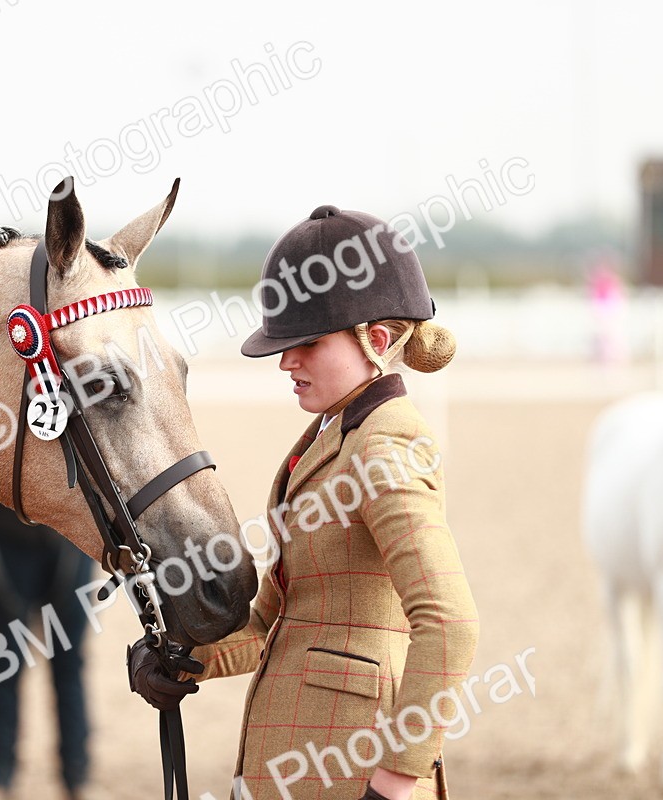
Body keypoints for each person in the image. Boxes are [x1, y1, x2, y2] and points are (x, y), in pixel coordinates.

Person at [128, 206, 479, 800]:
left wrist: (395, 781)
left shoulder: (384, 444)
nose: (286, 361)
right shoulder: (334, 437)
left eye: (308, 344)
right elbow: (274, 620)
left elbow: (450, 624)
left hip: (349, 777)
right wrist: (184, 656)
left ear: (377, 338)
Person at [0, 461, 99, 800]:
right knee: (6, 663)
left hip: (68, 541)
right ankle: (1, 776)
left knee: (69, 662)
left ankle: (76, 776)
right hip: (7, 544)